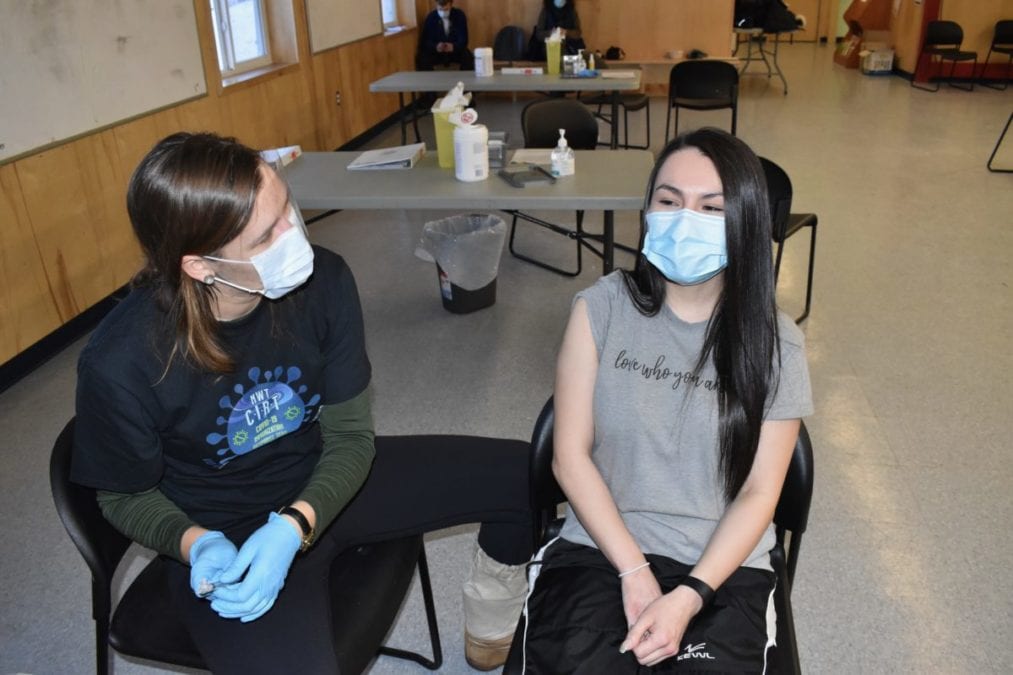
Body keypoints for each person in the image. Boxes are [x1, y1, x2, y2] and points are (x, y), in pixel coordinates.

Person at [70, 132, 530, 673]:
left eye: (286, 207)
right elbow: (123, 498)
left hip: (327, 475)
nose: (294, 234)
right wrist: (195, 544)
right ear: (200, 265)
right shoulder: (122, 360)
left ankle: (493, 617)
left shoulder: (325, 280)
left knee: (526, 473)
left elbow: (352, 439)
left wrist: (294, 525)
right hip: (228, 534)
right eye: (266, 236)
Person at [521, 128, 813, 673]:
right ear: (649, 208)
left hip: (721, 568)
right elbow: (569, 457)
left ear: (745, 221)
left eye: (710, 206)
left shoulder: (778, 343)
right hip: (602, 549)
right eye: (669, 200)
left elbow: (758, 493)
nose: (685, 219)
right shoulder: (599, 309)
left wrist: (690, 594)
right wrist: (633, 572)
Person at [417, 0, 474, 71]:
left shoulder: (459, 15)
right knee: (422, 58)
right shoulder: (431, 18)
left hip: (455, 51)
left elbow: (464, 40)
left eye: (446, 9)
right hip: (437, 52)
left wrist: (453, 46)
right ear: (436, 5)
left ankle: (465, 80)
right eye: (440, 9)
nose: (443, 12)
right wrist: (436, 46)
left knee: (467, 56)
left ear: (451, 4)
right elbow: (425, 41)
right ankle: (429, 81)